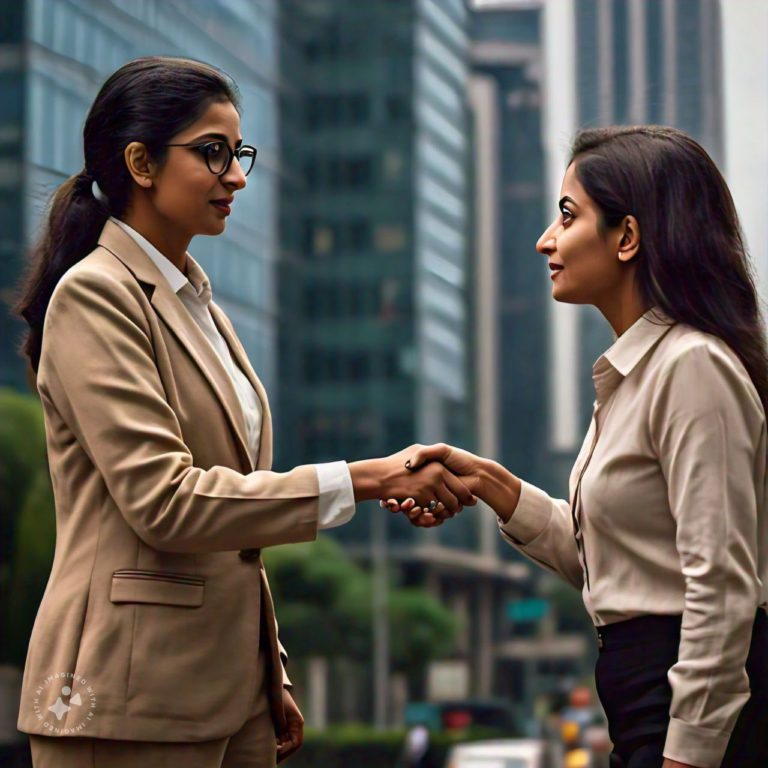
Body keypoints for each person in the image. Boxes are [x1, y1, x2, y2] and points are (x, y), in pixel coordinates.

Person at [12, 56, 474, 768]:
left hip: (226, 697)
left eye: (239, 153)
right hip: (129, 698)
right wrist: (366, 480)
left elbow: (235, 532)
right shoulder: (96, 295)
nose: (237, 176)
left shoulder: (201, 308)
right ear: (140, 161)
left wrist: (269, 671)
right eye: (213, 153)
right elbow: (165, 503)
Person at [387, 126, 768, 768]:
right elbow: (619, 563)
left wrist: (689, 752)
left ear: (627, 236)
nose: (545, 240)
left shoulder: (691, 366)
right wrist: (491, 485)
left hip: (688, 708)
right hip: (642, 699)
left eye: (567, 215)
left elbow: (721, 585)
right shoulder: (631, 377)